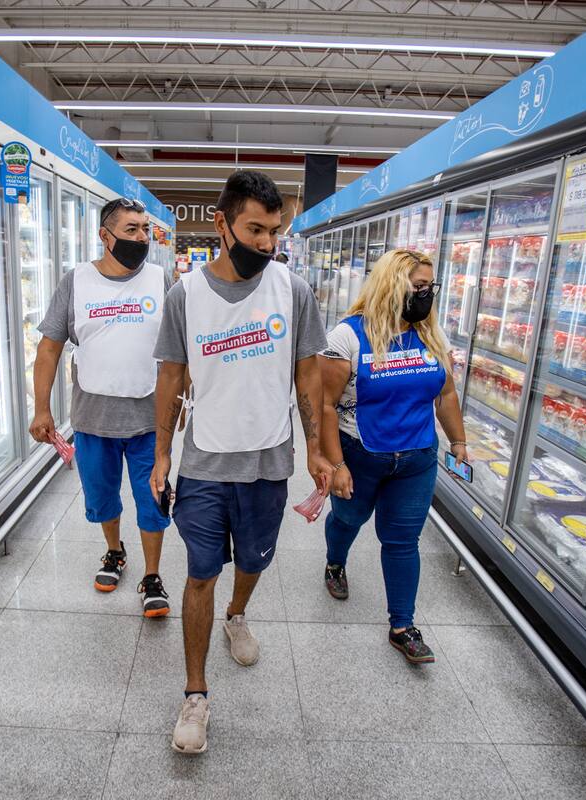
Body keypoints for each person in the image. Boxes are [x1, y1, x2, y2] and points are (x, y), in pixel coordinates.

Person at [150, 170, 331, 755]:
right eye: (254, 229)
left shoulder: (294, 291)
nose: (267, 243)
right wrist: (160, 454)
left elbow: (309, 375)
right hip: (203, 464)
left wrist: (317, 451)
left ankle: (237, 614)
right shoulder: (186, 295)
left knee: (252, 562)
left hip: (268, 463)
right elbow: (171, 376)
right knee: (200, 570)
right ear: (221, 224)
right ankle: (196, 696)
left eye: (274, 231)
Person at [318, 249, 468, 664]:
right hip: (361, 454)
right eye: (417, 287)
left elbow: (447, 393)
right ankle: (335, 562)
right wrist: (336, 465)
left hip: (417, 457)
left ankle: (402, 626)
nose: (425, 295)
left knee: (402, 541)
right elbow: (325, 405)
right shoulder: (347, 336)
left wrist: (458, 442)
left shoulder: (433, 335)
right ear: (391, 286)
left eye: (429, 288)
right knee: (348, 518)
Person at [30, 197, 173, 617]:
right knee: (103, 497)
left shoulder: (161, 280)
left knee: (154, 500)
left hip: (148, 420)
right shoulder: (76, 282)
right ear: (104, 235)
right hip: (93, 419)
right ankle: (115, 550)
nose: (141, 238)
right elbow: (49, 347)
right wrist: (42, 409)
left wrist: (181, 403)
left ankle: (152, 575)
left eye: (145, 229)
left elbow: (178, 352)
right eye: (131, 230)